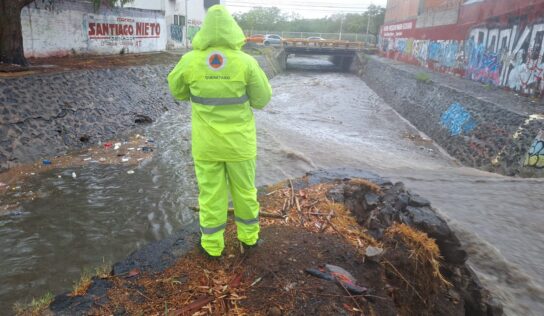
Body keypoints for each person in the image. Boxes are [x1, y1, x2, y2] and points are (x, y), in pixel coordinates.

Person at [167, 4, 272, 258]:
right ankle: (248, 240)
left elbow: (177, 91)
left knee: (211, 195)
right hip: (240, 145)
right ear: (232, 30)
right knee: (245, 193)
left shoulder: (189, 61)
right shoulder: (246, 62)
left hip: (206, 146)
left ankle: (212, 246)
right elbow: (261, 99)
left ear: (204, 31)